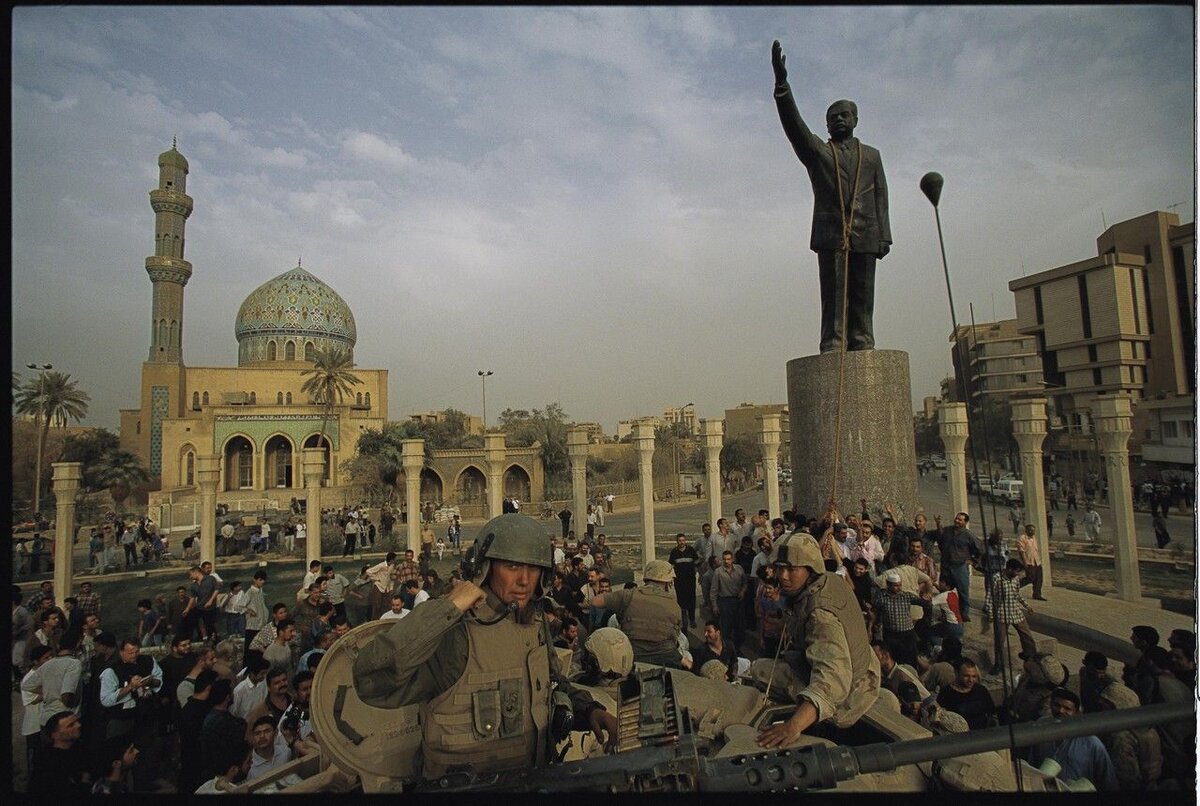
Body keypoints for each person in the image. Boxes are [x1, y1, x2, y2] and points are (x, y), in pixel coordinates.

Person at [352, 513, 618, 782]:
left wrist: (589, 710)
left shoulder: (534, 623)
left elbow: (551, 684)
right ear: (485, 568)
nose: (525, 580)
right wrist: (447, 608)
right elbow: (370, 680)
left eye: (533, 568)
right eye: (512, 567)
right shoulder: (455, 632)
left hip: (531, 780)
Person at [771, 39, 890, 353]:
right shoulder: (819, 153)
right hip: (830, 232)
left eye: (844, 115)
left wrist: (884, 236)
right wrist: (782, 86)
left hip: (866, 232)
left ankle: (862, 339)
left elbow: (880, 196)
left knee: (863, 295)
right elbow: (796, 128)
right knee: (834, 295)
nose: (838, 120)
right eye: (832, 117)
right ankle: (833, 340)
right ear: (826, 125)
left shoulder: (873, 157)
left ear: (855, 119)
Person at [753, 532, 880, 747]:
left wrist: (793, 726)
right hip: (864, 669)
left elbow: (833, 679)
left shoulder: (821, 616)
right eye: (779, 568)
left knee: (759, 670)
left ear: (810, 569)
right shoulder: (829, 579)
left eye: (791, 569)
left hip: (849, 696)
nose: (783, 576)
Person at [591, 560, 683, 667]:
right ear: (668, 582)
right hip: (665, 658)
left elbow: (595, 601)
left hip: (633, 656)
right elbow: (675, 638)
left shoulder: (628, 595)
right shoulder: (674, 605)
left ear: (646, 578)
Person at [1026, 688, 1119, 790]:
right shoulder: (1042, 726)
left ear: (1076, 713)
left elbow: (1108, 781)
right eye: (1057, 705)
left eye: (1067, 708)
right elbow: (1032, 764)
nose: (1061, 711)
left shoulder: (1091, 743)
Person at [981, 558, 1040, 668]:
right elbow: (990, 597)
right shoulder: (996, 579)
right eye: (1017, 571)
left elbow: (1017, 594)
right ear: (1009, 569)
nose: (1018, 574)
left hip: (1016, 612)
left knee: (1027, 636)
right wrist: (990, 613)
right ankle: (998, 664)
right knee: (1000, 641)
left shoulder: (1016, 579)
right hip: (1002, 614)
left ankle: (1031, 657)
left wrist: (1027, 606)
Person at [935, 512, 981, 622]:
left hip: (960, 567)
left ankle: (964, 614)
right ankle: (945, 614)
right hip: (946, 566)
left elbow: (980, 548)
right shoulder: (947, 530)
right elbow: (940, 538)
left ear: (965, 522)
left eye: (960, 520)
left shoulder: (968, 535)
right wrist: (938, 525)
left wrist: (972, 560)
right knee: (944, 592)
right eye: (956, 519)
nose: (957, 521)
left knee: (963, 592)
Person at [935, 658, 994, 730]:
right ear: (956, 673)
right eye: (966, 676)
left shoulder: (981, 690)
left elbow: (991, 713)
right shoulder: (946, 694)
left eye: (974, 676)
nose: (971, 680)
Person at [667, 533, 699, 630]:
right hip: (679, 581)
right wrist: (670, 578)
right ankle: (684, 619)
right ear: (677, 541)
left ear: (686, 541)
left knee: (691, 598)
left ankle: (692, 619)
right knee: (681, 599)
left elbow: (697, 562)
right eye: (680, 540)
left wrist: (696, 572)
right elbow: (671, 566)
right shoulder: (674, 552)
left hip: (690, 580)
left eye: (683, 540)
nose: (682, 542)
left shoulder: (691, 550)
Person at [1014, 523, 1047, 600]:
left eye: (1033, 531)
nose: (1032, 532)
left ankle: (1037, 594)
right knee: (1030, 578)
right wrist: (1024, 562)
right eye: (1030, 530)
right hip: (1029, 561)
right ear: (1026, 531)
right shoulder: (1022, 538)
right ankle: (1014, 587)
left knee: (1039, 578)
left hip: (1036, 561)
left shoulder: (1034, 538)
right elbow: (1021, 551)